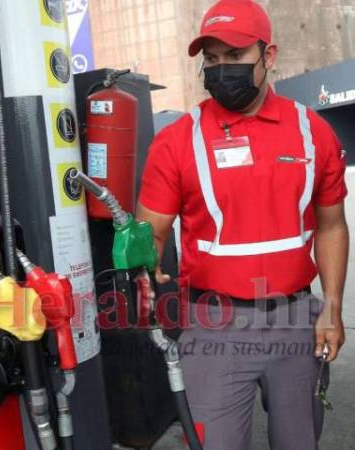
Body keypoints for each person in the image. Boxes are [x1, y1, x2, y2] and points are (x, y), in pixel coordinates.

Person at [137, 0, 349, 449]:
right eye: (211, 60)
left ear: (267, 56)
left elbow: (331, 225)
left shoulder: (312, 131)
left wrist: (331, 305)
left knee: (299, 443)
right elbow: (150, 229)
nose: (220, 70)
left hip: (296, 321)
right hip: (212, 324)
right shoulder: (177, 140)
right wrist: (144, 263)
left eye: (234, 58)